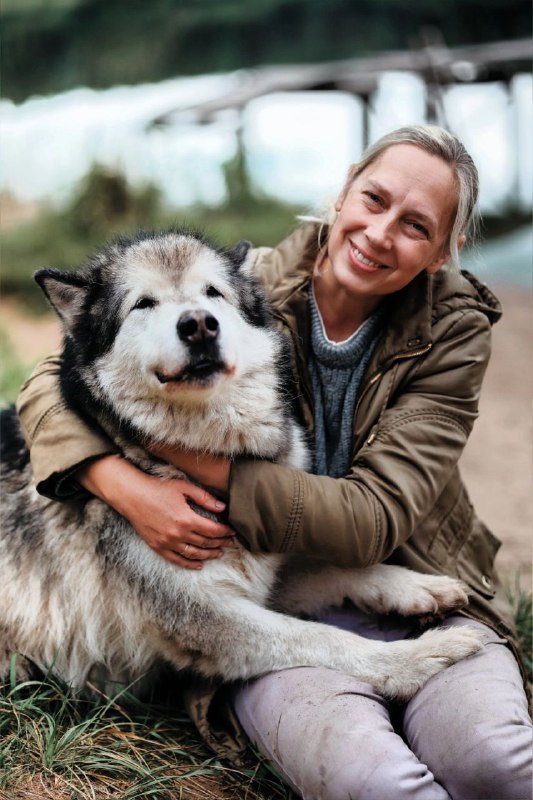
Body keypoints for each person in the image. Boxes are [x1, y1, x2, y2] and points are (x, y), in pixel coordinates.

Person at [17, 125, 532, 800]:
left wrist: (169, 456)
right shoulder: (248, 276)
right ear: (344, 188)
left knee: (496, 766)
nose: (379, 233)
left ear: (444, 250)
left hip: (407, 578)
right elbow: (45, 384)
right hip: (259, 627)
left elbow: (371, 517)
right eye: (373, 199)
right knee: (380, 783)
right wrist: (123, 482)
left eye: (414, 225)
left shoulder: (454, 333)